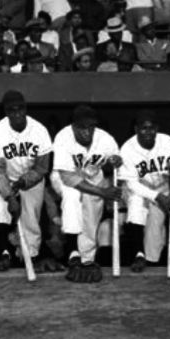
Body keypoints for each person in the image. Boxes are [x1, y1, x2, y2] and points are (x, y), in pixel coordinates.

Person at [0, 91, 59, 273]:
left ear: (26, 109)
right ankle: (5, 253)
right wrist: (10, 196)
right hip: (6, 177)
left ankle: (31, 255)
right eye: (11, 110)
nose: (16, 113)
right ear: (5, 112)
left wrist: (23, 183)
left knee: (30, 217)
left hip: (32, 178)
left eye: (20, 109)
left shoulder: (39, 130)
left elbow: (42, 167)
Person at [53, 105, 122, 283]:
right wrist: (102, 191)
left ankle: (86, 262)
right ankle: (72, 252)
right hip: (64, 177)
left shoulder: (105, 139)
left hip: (93, 179)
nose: (87, 132)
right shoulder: (63, 137)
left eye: (91, 127)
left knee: (91, 220)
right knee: (72, 196)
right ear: (73, 126)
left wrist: (116, 161)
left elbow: (116, 162)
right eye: (82, 127)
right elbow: (68, 178)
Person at [119, 110, 170, 272]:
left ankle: (151, 262)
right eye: (143, 128)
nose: (148, 132)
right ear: (136, 129)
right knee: (135, 205)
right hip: (138, 188)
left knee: (155, 225)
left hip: (162, 188)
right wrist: (157, 196)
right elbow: (132, 183)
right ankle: (138, 254)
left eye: (151, 128)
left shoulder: (167, 141)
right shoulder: (127, 148)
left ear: (157, 128)